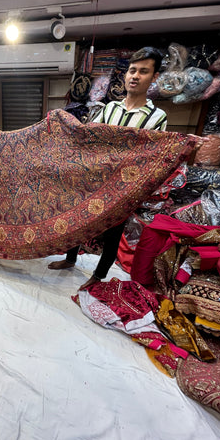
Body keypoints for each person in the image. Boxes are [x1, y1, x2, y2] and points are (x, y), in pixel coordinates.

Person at [48, 46, 167, 289]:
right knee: (77, 220)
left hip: (124, 188)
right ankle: (70, 259)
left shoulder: (157, 117)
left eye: (143, 72)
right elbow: (89, 139)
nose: (135, 76)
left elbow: (156, 156)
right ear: (125, 75)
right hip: (95, 181)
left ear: (154, 77)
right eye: (132, 70)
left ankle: (98, 276)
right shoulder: (109, 108)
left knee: (113, 234)